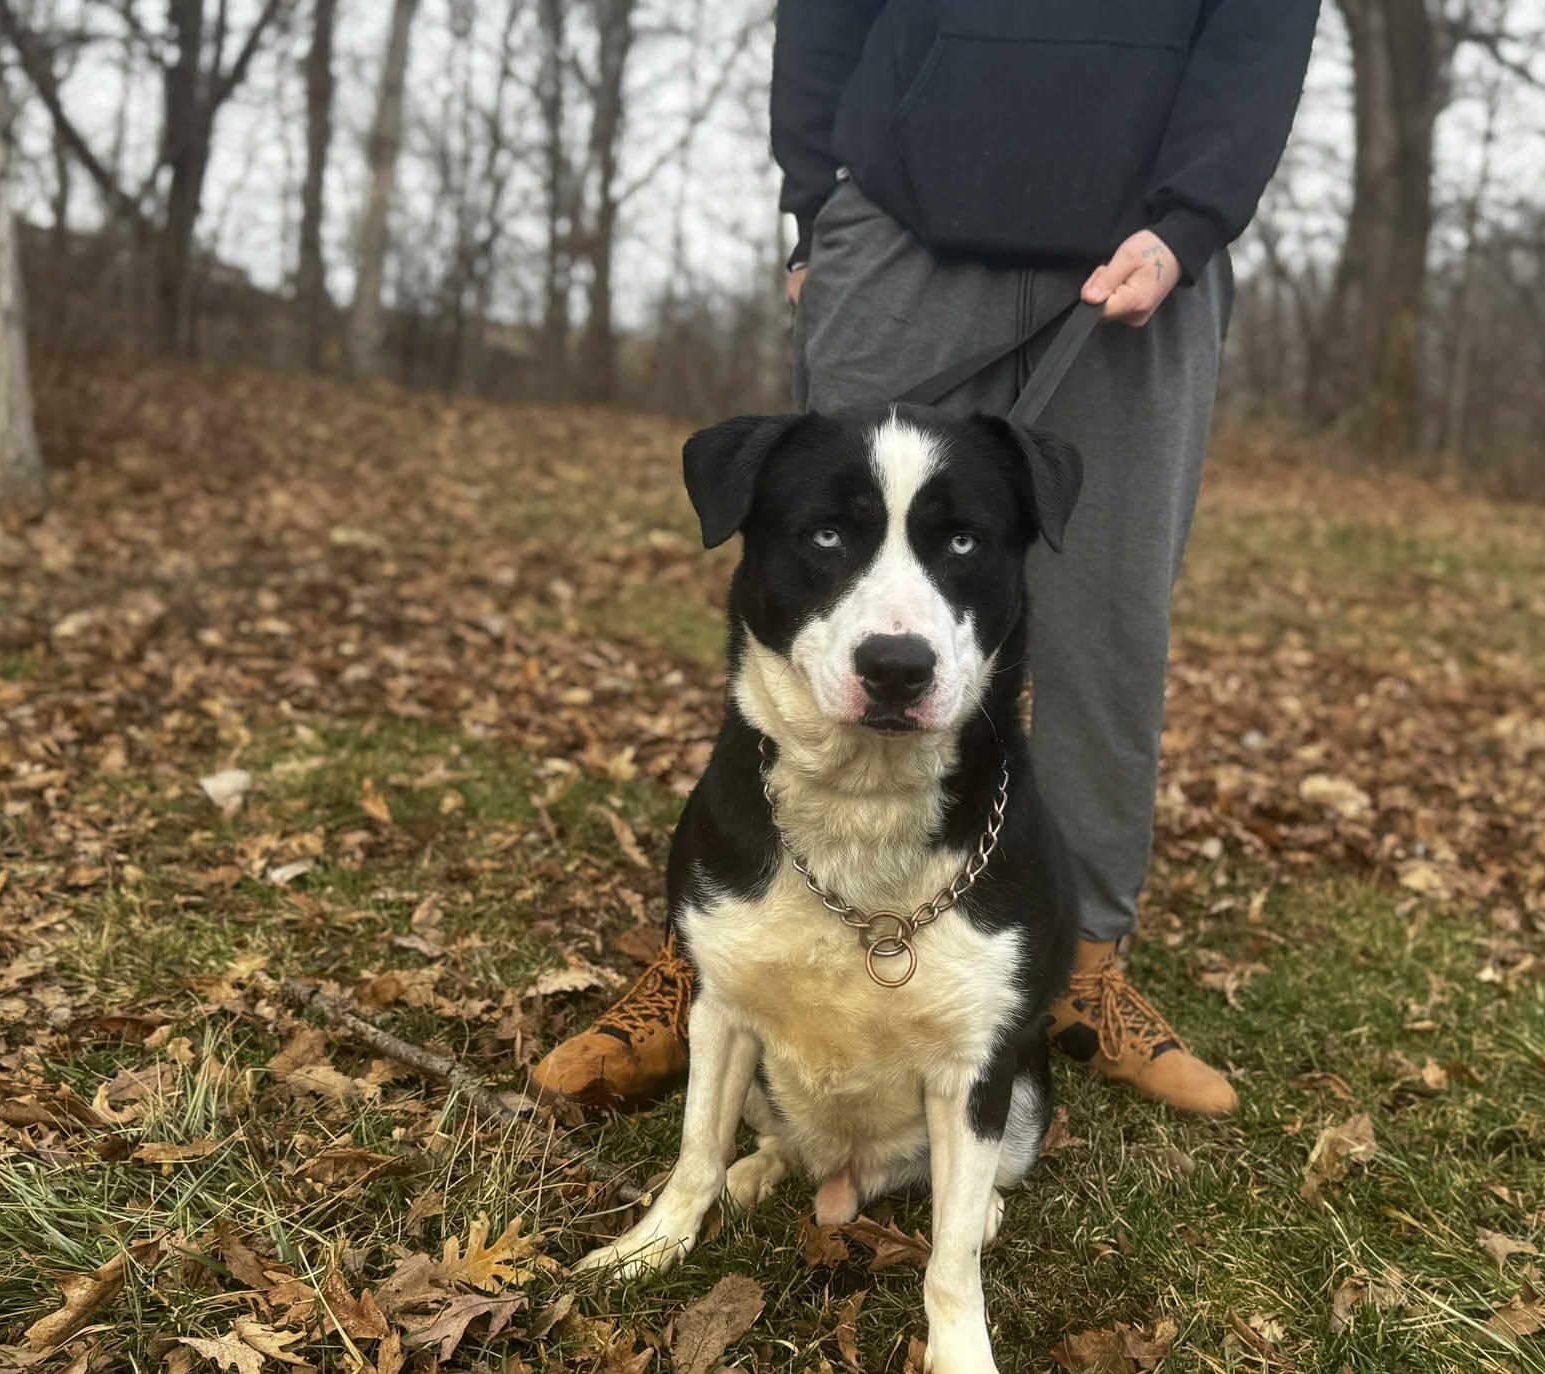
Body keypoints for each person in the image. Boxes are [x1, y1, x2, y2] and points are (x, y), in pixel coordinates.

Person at [534, 0, 1319, 1116]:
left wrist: (1192, 217)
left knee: (1105, 631)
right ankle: (709, 956)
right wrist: (814, 204)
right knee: (809, 617)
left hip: (1142, 247)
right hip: (900, 228)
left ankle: (1082, 965)